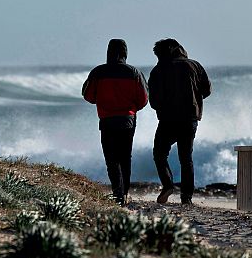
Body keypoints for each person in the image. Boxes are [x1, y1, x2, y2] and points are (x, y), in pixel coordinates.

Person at [82, 39, 148, 205]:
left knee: (111, 158)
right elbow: (144, 99)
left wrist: (103, 102)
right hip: (127, 119)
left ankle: (117, 192)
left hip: (107, 119)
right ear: (125, 52)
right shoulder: (134, 72)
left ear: (108, 52)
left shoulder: (98, 72)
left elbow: (88, 95)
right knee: (125, 157)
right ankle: (124, 192)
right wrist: (131, 108)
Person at [148, 38, 211, 205]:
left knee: (159, 154)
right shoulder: (194, 65)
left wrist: (163, 108)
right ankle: (187, 198)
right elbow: (207, 89)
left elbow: (153, 100)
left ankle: (168, 185)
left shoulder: (158, 70)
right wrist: (195, 99)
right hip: (189, 118)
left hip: (167, 119)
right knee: (186, 158)